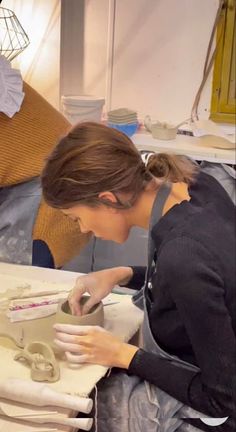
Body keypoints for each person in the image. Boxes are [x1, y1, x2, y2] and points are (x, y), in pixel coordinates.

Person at [41, 122, 236, 432]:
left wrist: (123, 355)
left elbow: (224, 399)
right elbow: (204, 280)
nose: (82, 229)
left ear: (108, 198)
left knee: (79, 413)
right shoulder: (196, 184)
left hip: (223, 406)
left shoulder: (185, 255)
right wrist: (123, 274)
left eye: (77, 218)